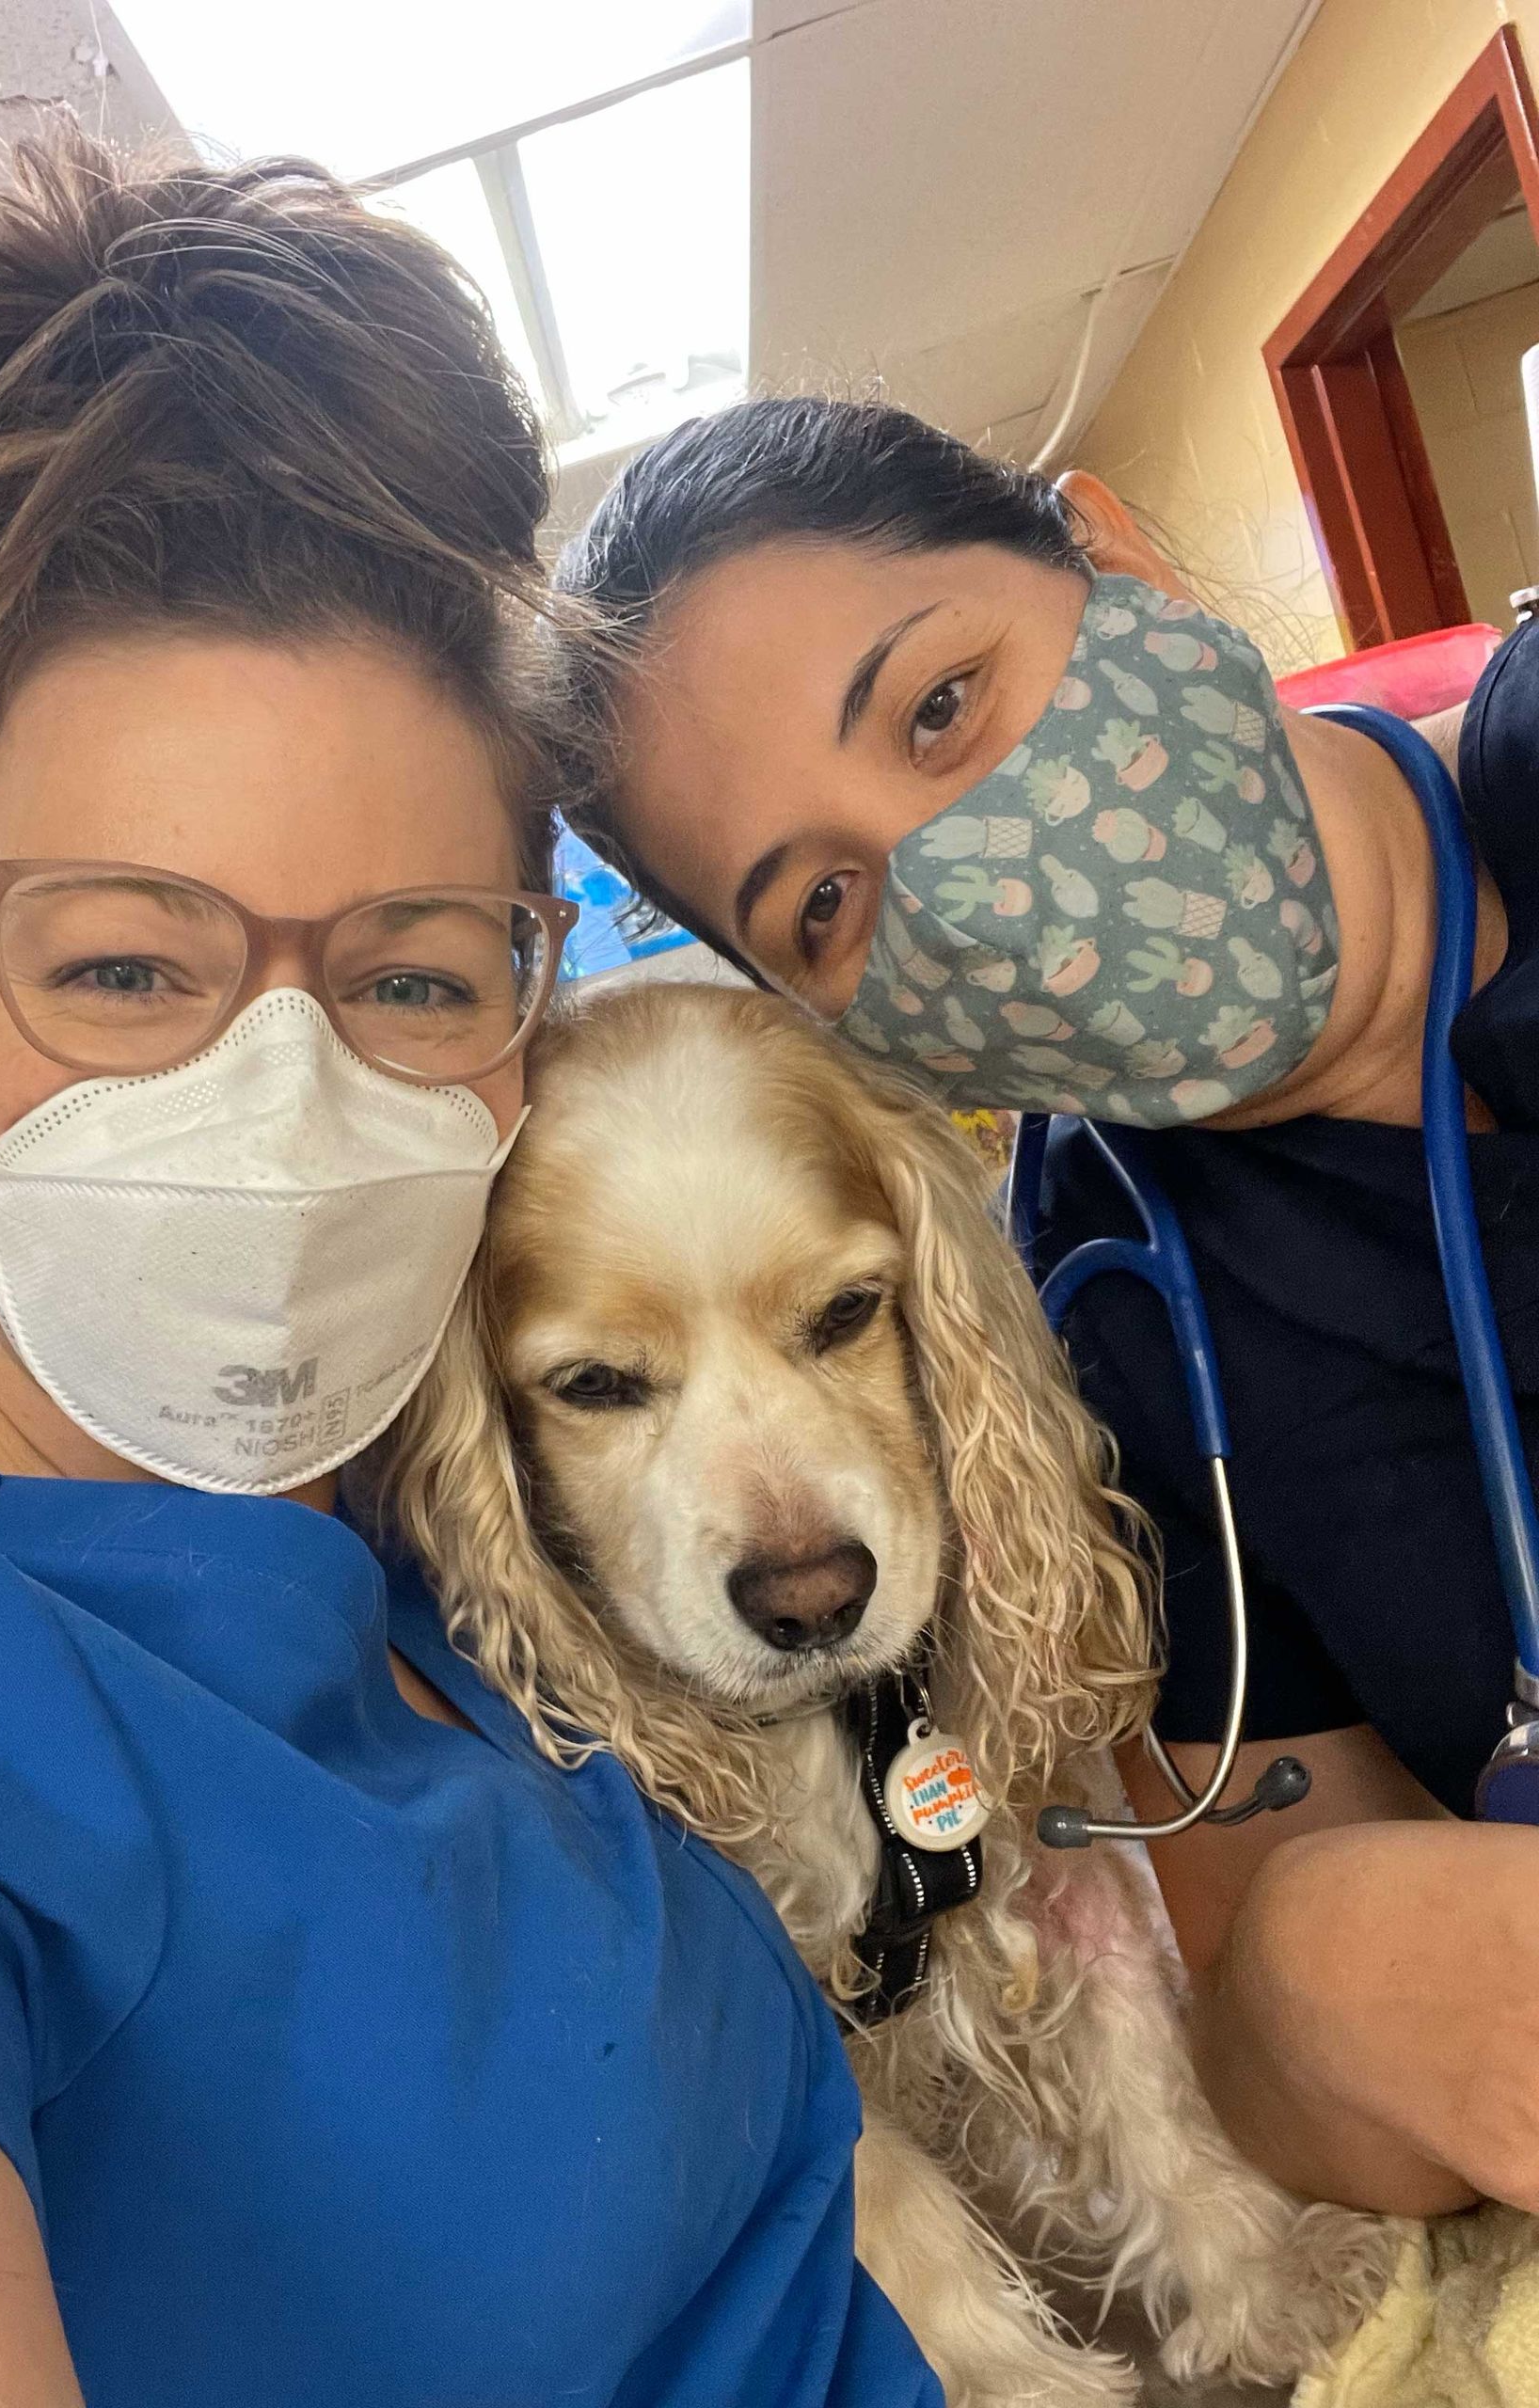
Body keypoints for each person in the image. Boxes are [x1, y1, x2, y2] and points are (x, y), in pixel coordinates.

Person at [0, 151, 946, 2408]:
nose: (281, 1103)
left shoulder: (436, 1541)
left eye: (403, 973)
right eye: (122, 963)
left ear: (527, 998)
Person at [546, 393, 1539, 2223]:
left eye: (943, 705)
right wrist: (1333, 1968)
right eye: (829, 902)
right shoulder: (1101, 1302)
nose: (973, 891)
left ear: (1124, 559)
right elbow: (1260, 2039)